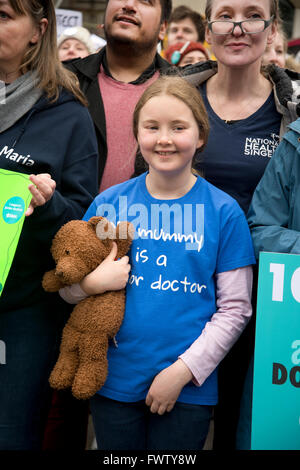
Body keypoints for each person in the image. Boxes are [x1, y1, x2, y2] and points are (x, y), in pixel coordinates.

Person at [60, 75, 256, 451]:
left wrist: (183, 372)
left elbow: (235, 309)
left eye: (178, 127)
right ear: (137, 134)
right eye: (152, 127)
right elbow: (67, 287)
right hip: (113, 381)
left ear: (200, 136)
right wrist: (90, 285)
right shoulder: (109, 205)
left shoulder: (223, 212)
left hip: (187, 389)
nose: (164, 138)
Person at [180, 0, 300, 450]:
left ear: (271, 31)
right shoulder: (175, 100)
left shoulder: (292, 113)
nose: (237, 27)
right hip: (180, 294)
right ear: (208, 28)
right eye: (225, 15)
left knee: (244, 427)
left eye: (252, 15)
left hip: (266, 304)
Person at [0, 0, 98, 450]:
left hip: (23, 313)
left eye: (3, 14)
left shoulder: (69, 114)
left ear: (39, 30)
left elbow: (81, 223)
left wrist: (48, 204)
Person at [65, 0, 173, 193]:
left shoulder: (184, 92)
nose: (129, 5)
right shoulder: (64, 82)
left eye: (145, 1)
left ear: (163, 27)